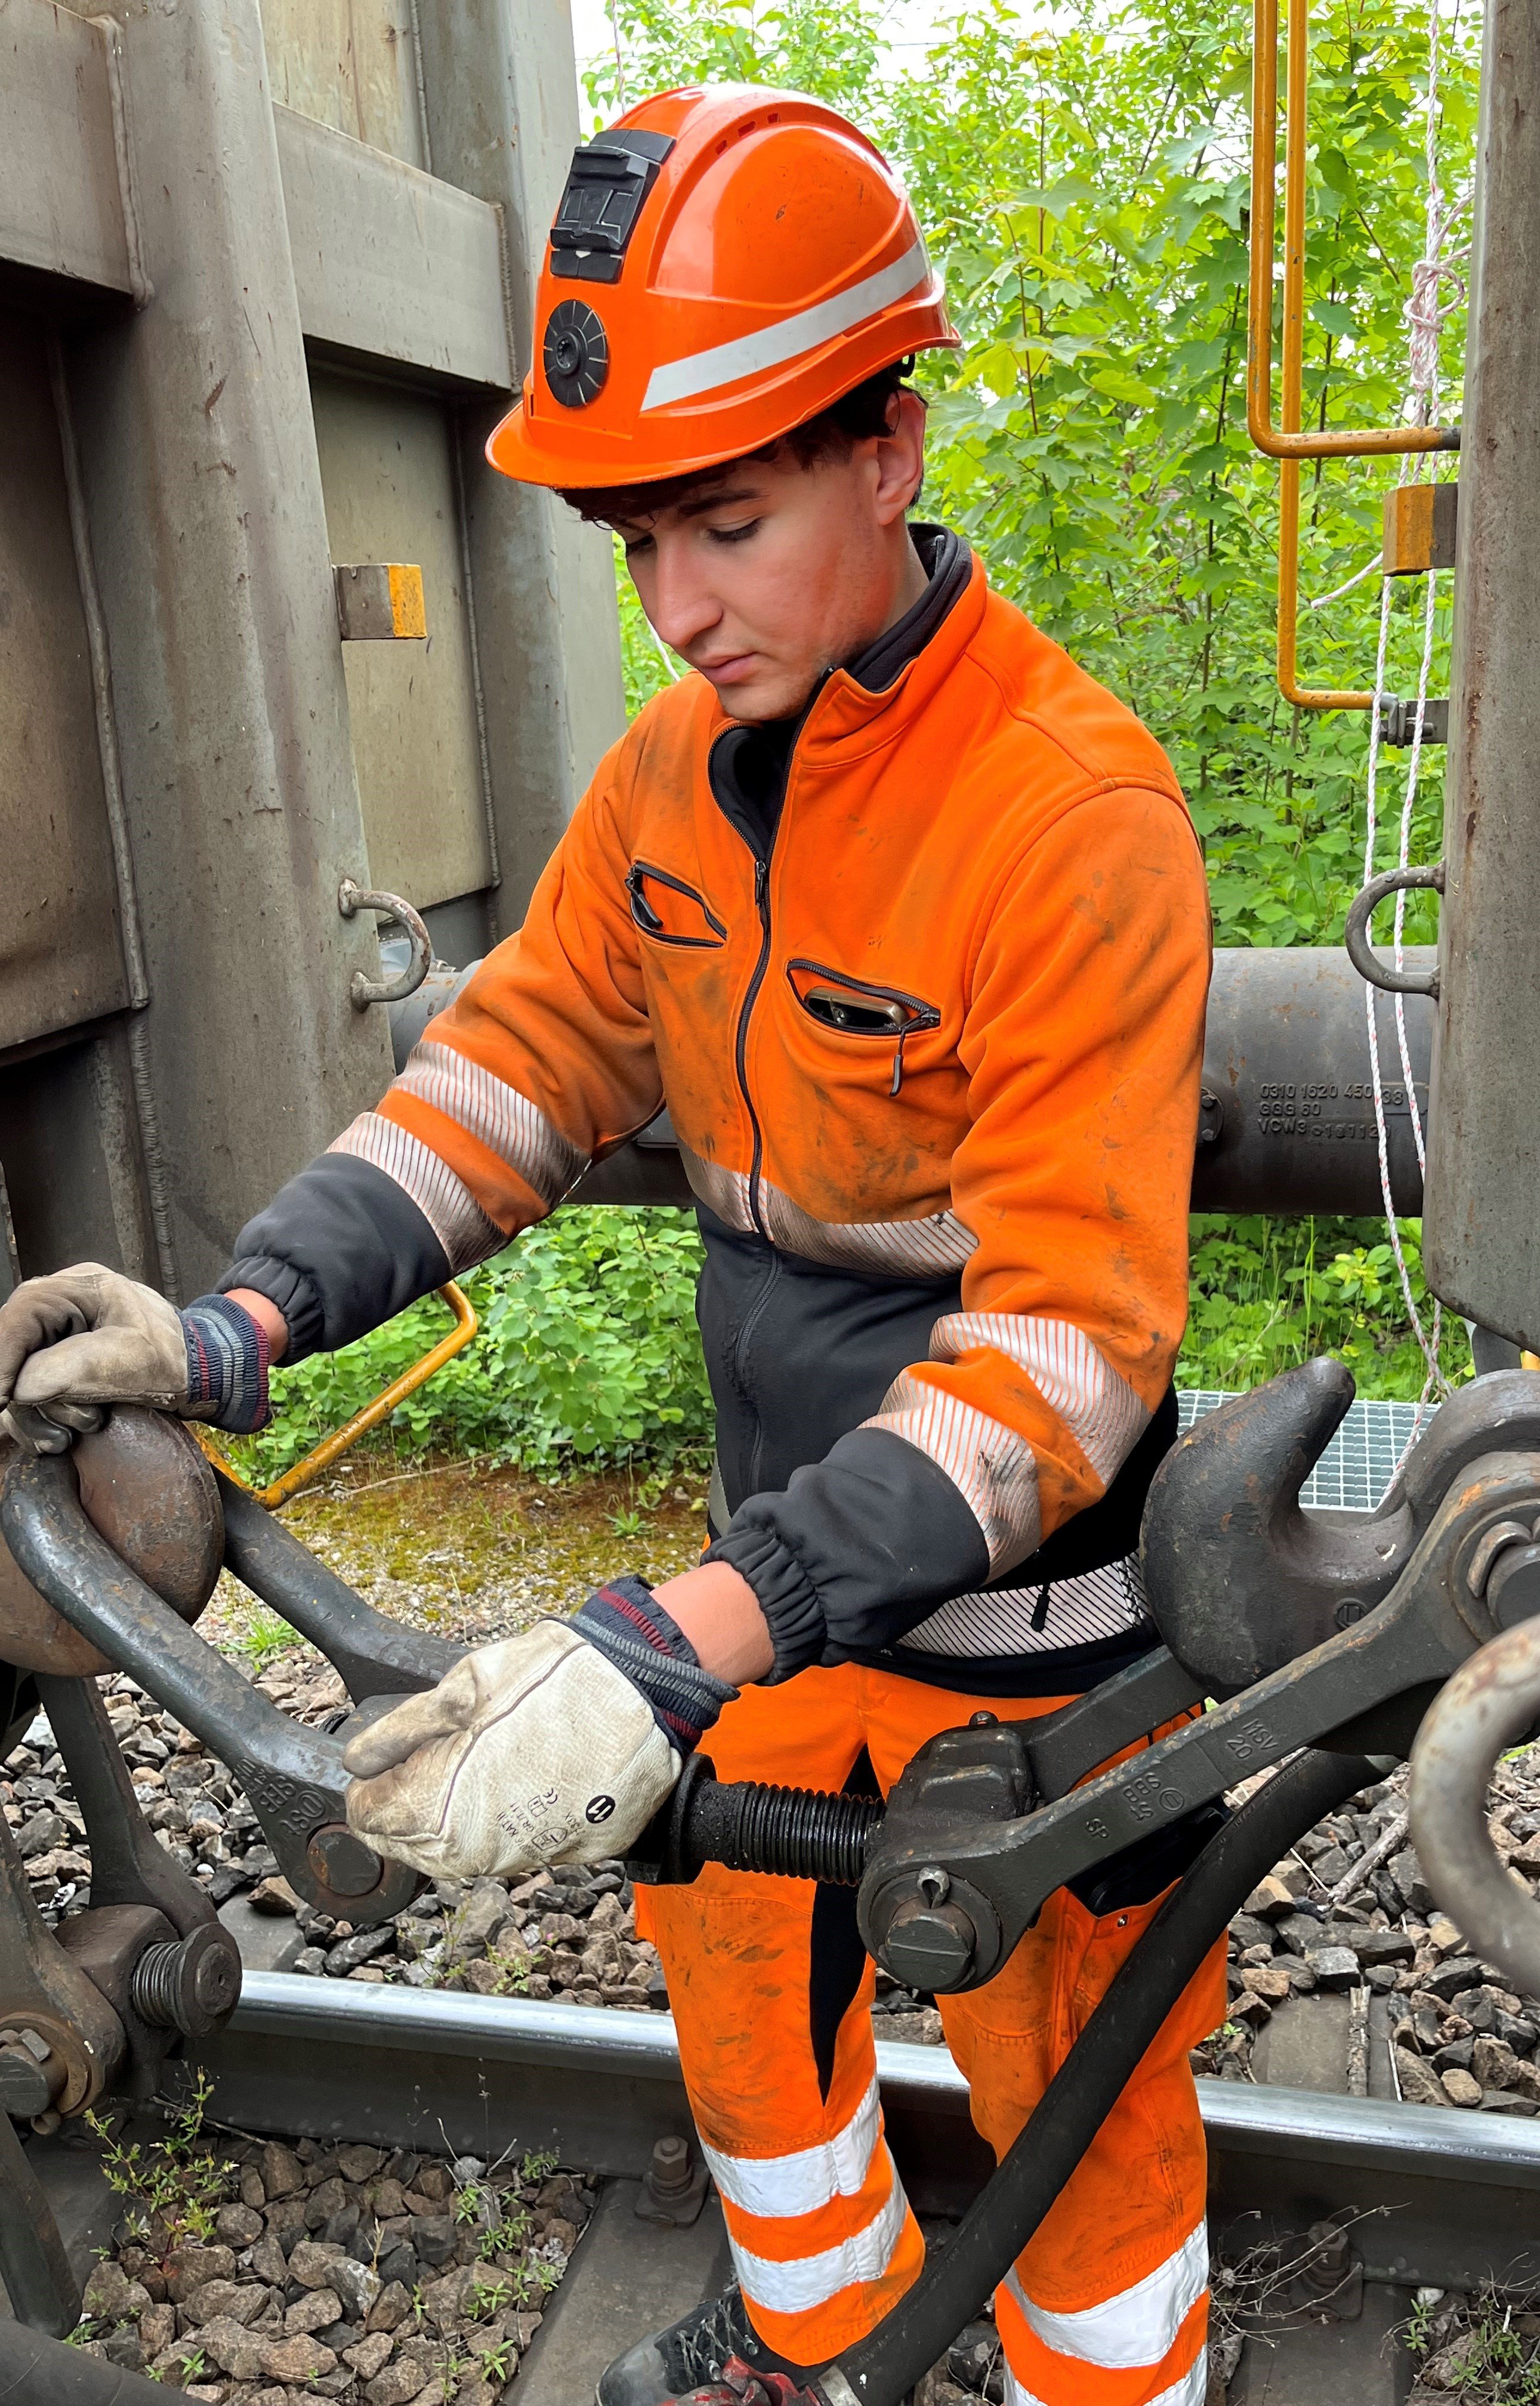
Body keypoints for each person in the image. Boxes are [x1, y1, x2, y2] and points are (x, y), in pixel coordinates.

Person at [0, 87, 1218, 2406]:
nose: (675, 609)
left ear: (891, 446)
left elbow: (1069, 1356)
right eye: (643, 539)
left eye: (728, 527)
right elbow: (511, 1077)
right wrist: (234, 1320)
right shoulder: (674, 786)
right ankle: (822, 2340)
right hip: (778, 1583)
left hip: (1037, 1645)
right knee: (746, 1974)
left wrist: (678, 1633)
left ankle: (1113, 2384)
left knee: (1085, 2068)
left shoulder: (1070, 821)